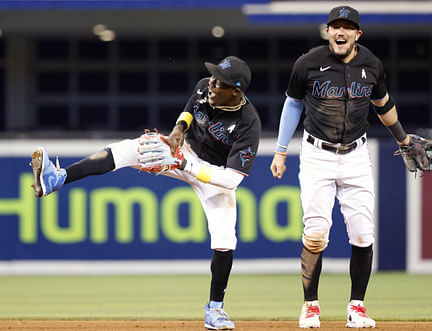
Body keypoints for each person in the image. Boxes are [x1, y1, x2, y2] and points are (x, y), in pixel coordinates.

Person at [30, 56, 261, 330]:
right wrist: (177, 131)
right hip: (182, 151)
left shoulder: (249, 124)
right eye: (212, 77)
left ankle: (215, 310)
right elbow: (188, 111)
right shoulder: (204, 87)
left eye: (219, 82)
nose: (211, 83)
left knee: (224, 237)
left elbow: (232, 179)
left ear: (236, 91)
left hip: (213, 174)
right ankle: (57, 178)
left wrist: (185, 165)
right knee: (128, 149)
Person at [270, 5, 412, 329]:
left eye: (347, 27)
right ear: (328, 31)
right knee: (316, 233)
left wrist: (403, 139)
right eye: (335, 26)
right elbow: (292, 104)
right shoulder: (308, 63)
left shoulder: (371, 64)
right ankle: (310, 305)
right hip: (317, 155)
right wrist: (280, 151)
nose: (340, 31)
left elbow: (383, 104)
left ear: (357, 34)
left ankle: (357, 307)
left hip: (357, 157)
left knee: (363, 233)